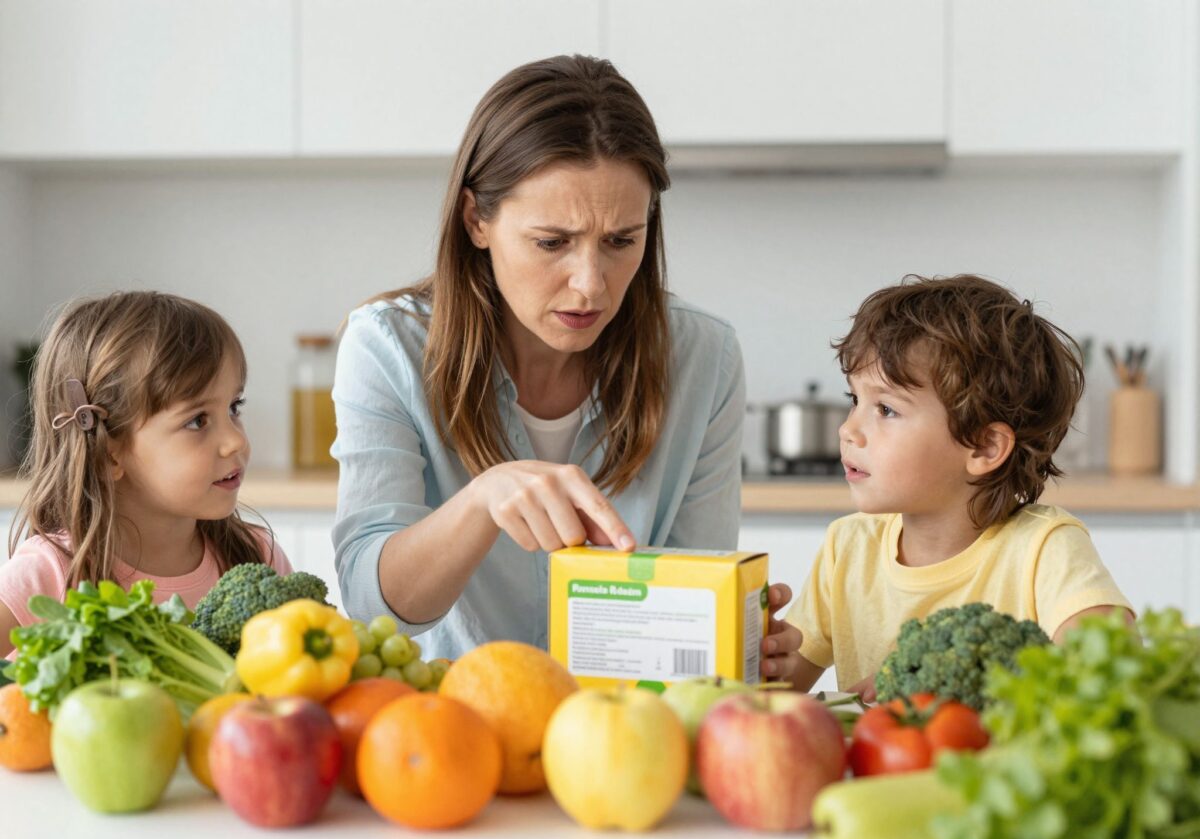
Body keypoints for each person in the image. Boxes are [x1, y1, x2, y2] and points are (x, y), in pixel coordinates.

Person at [332, 55, 801, 680]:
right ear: (477, 220)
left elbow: (687, 599)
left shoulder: (704, 357)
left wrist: (731, 634)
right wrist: (481, 501)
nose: (591, 286)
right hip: (447, 739)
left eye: (620, 241)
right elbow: (373, 605)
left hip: (622, 740)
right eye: (552, 243)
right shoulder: (387, 346)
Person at [785, 274, 1134, 698]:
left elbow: (1112, 661)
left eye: (886, 409)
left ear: (985, 446)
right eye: (853, 400)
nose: (848, 430)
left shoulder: (1044, 548)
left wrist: (922, 680)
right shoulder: (847, 548)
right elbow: (773, 697)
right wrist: (758, 652)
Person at [0, 291, 291, 658]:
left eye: (234, 407)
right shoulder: (49, 573)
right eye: (197, 420)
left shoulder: (256, 558)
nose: (235, 440)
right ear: (110, 452)